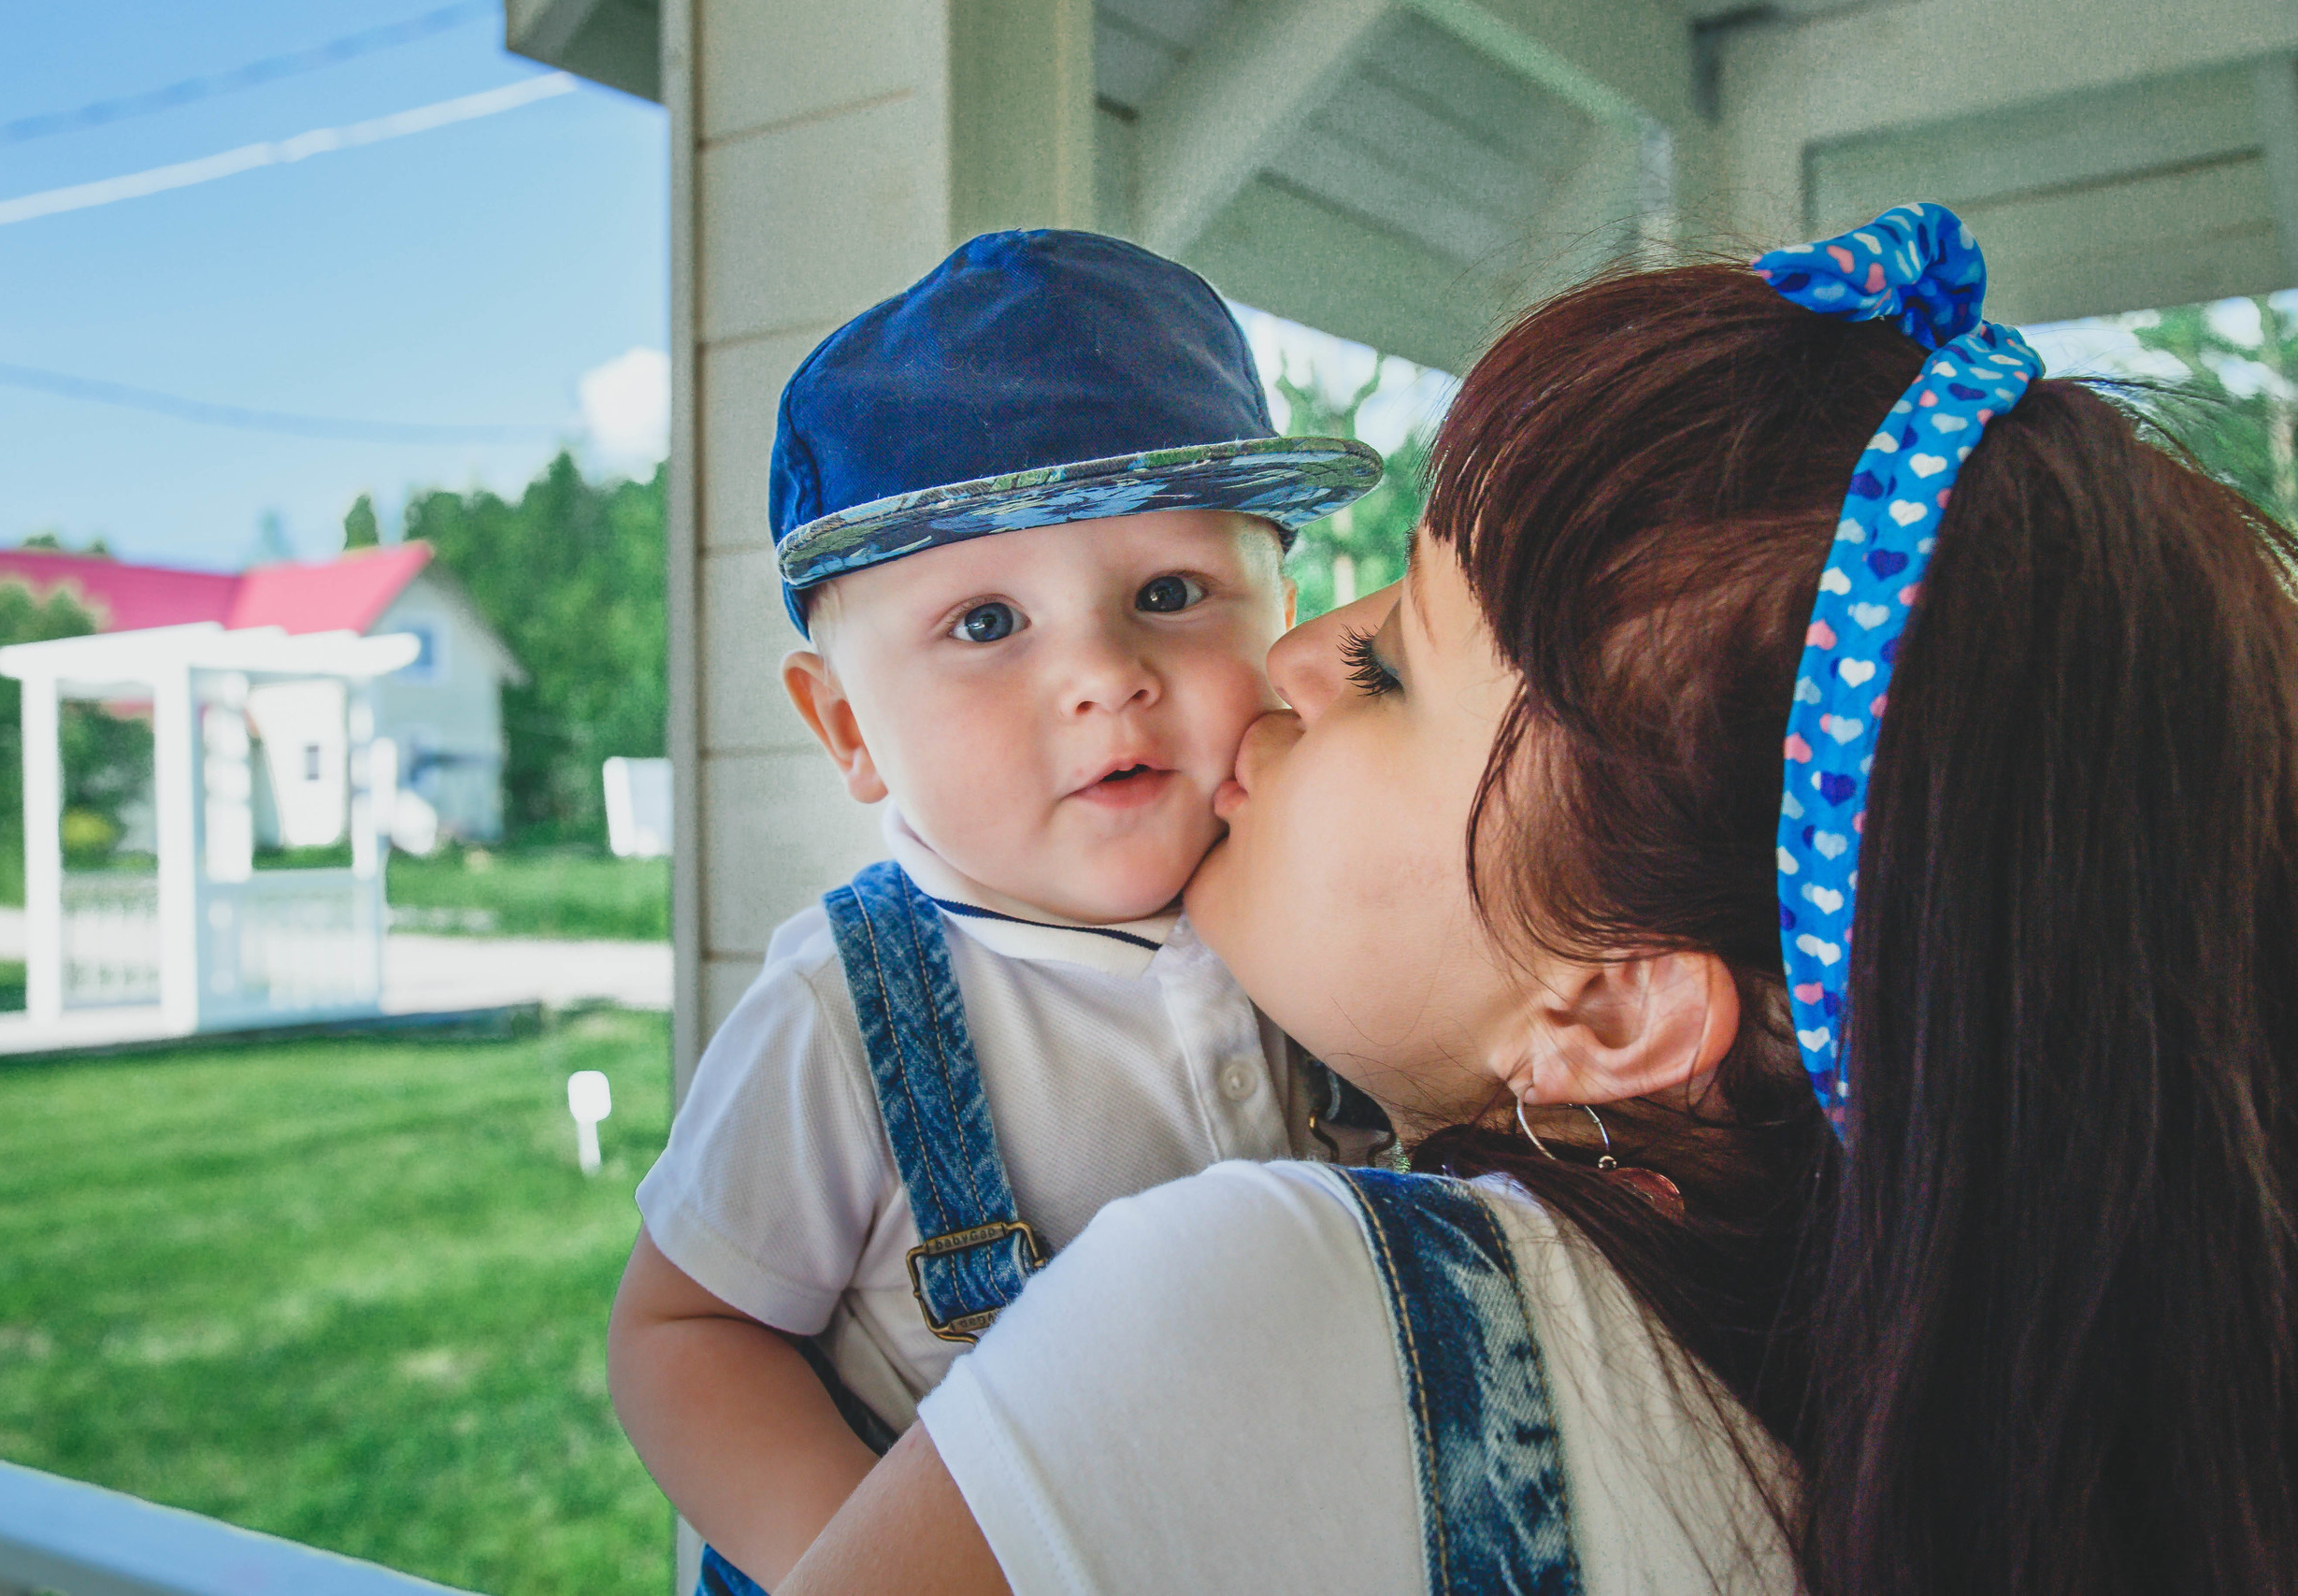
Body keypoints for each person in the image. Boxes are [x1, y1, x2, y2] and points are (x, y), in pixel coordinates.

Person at [781, 204, 2298, 1595]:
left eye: (1387, 668)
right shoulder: (1980, 1419)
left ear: (1614, 1008)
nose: (1293, 659)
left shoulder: (1264, 1308)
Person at [606, 229, 1388, 1594]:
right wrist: (857, 1564)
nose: (1104, 673)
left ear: (1286, 618)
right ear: (848, 727)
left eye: (1169, 593)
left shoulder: (1339, 901)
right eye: (985, 624)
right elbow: (682, 1336)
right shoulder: (846, 1015)